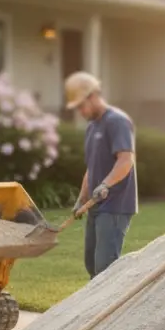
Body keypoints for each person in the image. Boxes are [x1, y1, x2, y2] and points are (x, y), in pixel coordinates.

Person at [64, 71, 137, 279]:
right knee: (91, 264)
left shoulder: (117, 121)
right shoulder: (92, 127)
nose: (80, 111)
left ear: (93, 96)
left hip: (115, 205)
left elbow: (125, 160)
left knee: (105, 268)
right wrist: (81, 199)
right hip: (96, 205)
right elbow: (91, 169)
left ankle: (114, 311)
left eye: (81, 106)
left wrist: (105, 185)